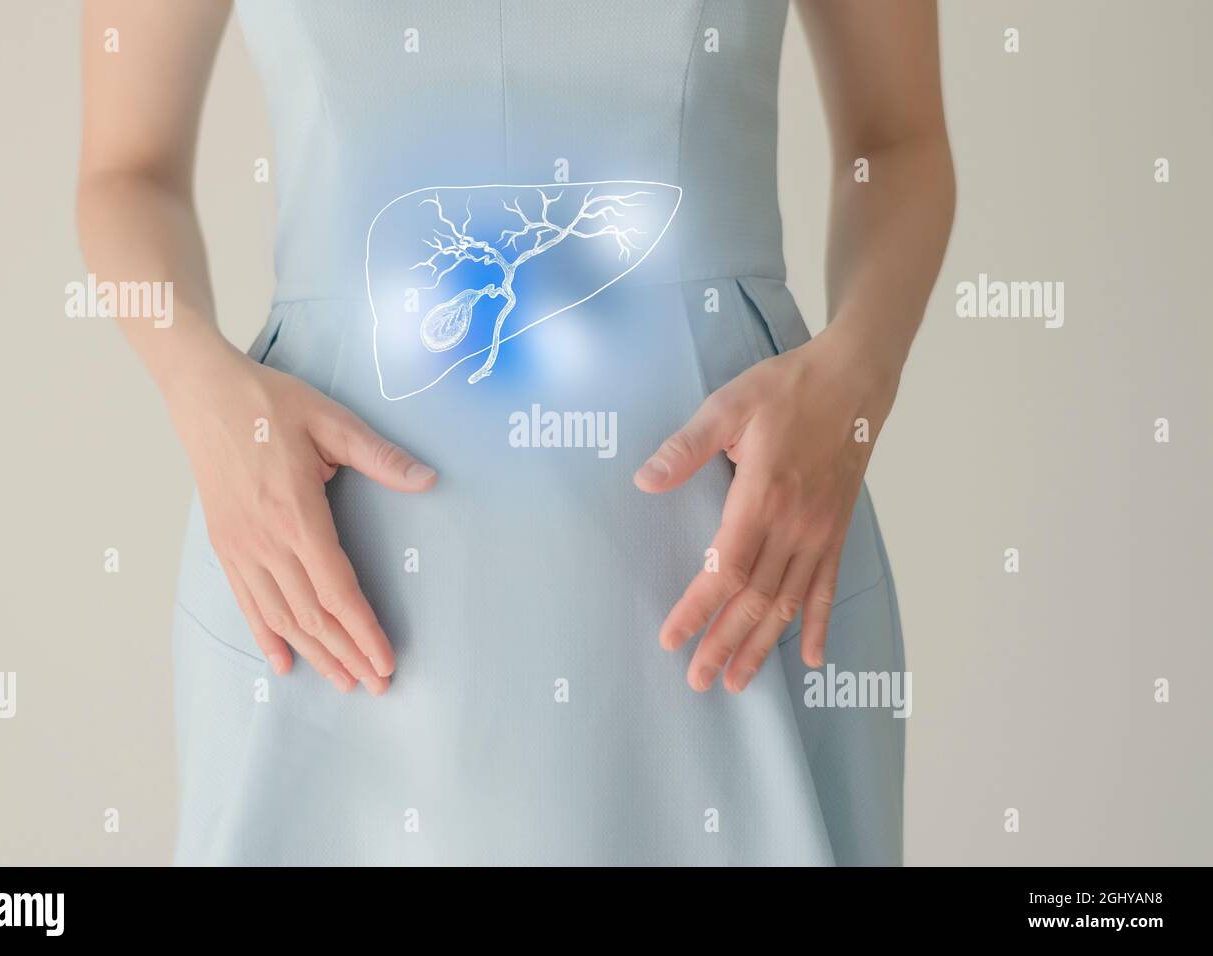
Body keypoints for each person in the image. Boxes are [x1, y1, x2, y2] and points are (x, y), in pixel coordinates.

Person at [77, 0, 955, 865]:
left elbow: (898, 142)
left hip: (743, 546)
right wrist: (203, 398)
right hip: (318, 562)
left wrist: (855, 381)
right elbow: (127, 170)